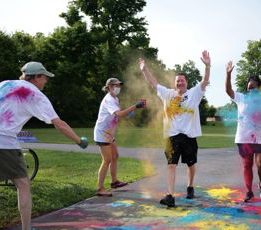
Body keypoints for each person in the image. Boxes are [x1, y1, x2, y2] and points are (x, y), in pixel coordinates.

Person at [0, 62, 88, 230]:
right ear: (37, 76)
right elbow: (59, 124)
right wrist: (79, 141)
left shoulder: (4, 84)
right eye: (45, 77)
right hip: (2, 141)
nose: (46, 81)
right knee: (22, 184)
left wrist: (2, 117)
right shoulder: (35, 94)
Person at [139, 51, 211, 207]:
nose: (180, 83)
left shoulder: (194, 94)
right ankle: (170, 195)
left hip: (189, 135)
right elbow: (153, 83)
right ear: (174, 83)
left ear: (187, 82)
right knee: (171, 165)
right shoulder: (168, 94)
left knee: (191, 164)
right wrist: (145, 70)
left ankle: (190, 186)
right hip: (171, 136)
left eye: (182, 80)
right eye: (177, 81)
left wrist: (207, 65)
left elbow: (205, 81)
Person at [93, 78, 145, 196]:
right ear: (110, 87)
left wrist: (131, 111)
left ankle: (114, 182)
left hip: (109, 134)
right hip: (103, 134)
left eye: (119, 86)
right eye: (116, 85)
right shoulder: (109, 100)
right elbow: (119, 114)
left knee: (115, 156)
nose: (119, 88)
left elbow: (118, 114)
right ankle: (99, 189)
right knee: (106, 160)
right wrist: (135, 106)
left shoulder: (115, 98)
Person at [225, 61, 261, 202]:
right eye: (249, 86)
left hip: (259, 138)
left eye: (254, 86)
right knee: (247, 165)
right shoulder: (241, 98)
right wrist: (228, 74)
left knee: (260, 164)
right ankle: (249, 191)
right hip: (244, 137)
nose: (251, 88)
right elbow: (228, 91)